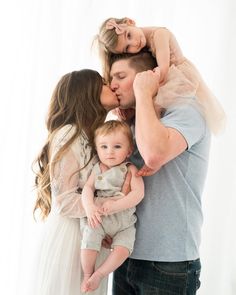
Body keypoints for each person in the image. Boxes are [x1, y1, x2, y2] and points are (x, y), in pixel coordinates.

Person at [105, 50, 212, 294]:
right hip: (126, 255)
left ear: (147, 76)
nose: (113, 85)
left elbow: (154, 154)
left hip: (169, 263)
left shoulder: (187, 110)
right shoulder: (133, 120)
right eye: (111, 78)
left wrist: (143, 91)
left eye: (121, 76)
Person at [32, 69, 120, 295]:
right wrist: (108, 211)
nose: (111, 85)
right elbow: (65, 199)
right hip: (70, 239)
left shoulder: (93, 136)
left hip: (88, 235)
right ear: (87, 92)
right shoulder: (68, 133)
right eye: (103, 83)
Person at [95, 17, 226, 134]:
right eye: (127, 48)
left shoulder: (159, 34)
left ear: (130, 21)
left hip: (174, 74)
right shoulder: (139, 43)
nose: (134, 44)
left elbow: (163, 70)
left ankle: (154, 134)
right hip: (163, 74)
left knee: (154, 106)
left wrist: (145, 82)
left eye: (129, 35)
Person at [80, 120, 144, 293]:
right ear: (97, 149)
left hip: (124, 222)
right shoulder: (97, 169)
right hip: (100, 218)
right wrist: (89, 207)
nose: (110, 152)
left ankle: (100, 273)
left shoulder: (130, 169)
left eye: (117, 146)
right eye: (104, 147)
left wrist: (116, 205)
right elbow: (87, 189)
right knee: (89, 239)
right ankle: (88, 274)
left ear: (129, 151)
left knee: (123, 249)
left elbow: (138, 194)